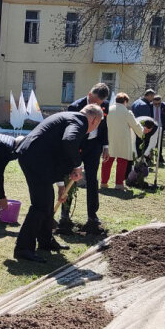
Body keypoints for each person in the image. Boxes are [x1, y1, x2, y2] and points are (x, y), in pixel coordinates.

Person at [14, 105, 104, 262]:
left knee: (48, 204)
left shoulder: (70, 118)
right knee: (40, 205)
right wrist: (77, 165)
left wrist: (62, 186)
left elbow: (58, 153)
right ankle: (23, 248)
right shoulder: (80, 121)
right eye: (98, 124)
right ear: (95, 119)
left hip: (39, 160)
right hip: (35, 160)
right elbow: (69, 141)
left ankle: (45, 241)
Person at [60, 83, 110, 234]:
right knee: (70, 176)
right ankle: (65, 214)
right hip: (77, 145)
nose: (96, 105)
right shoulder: (75, 107)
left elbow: (104, 126)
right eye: (94, 102)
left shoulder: (105, 106)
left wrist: (105, 146)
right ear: (89, 95)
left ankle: (92, 215)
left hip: (94, 146)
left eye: (99, 103)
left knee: (92, 179)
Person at [102, 93, 156, 190]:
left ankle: (104, 183)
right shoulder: (127, 112)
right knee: (122, 162)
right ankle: (118, 184)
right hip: (123, 140)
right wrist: (142, 131)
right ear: (125, 102)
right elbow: (135, 125)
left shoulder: (108, 109)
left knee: (107, 161)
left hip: (108, 138)